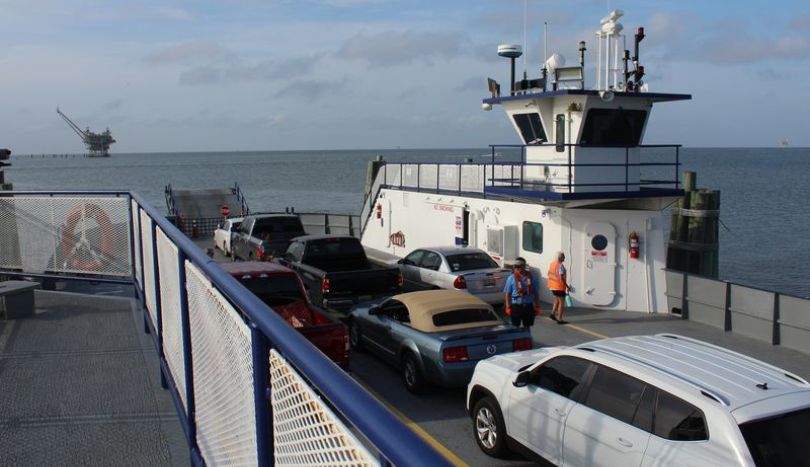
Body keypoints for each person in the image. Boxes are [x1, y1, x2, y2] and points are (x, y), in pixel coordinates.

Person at [503, 257, 541, 328]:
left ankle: (527, 338)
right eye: (516, 266)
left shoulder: (532, 277)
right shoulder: (511, 278)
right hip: (516, 306)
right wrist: (508, 307)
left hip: (528, 305)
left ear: (524, 266)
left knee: (527, 326)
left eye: (519, 266)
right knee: (515, 326)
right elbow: (507, 294)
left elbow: (536, 293)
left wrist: (537, 306)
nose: (517, 268)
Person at [547, 251, 571, 324]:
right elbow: (561, 278)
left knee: (557, 299)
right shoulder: (560, 265)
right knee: (561, 303)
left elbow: (549, 273)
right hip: (559, 287)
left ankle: (552, 314)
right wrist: (567, 286)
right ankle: (559, 319)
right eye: (563, 256)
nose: (564, 258)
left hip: (552, 286)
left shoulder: (552, 264)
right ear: (559, 257)